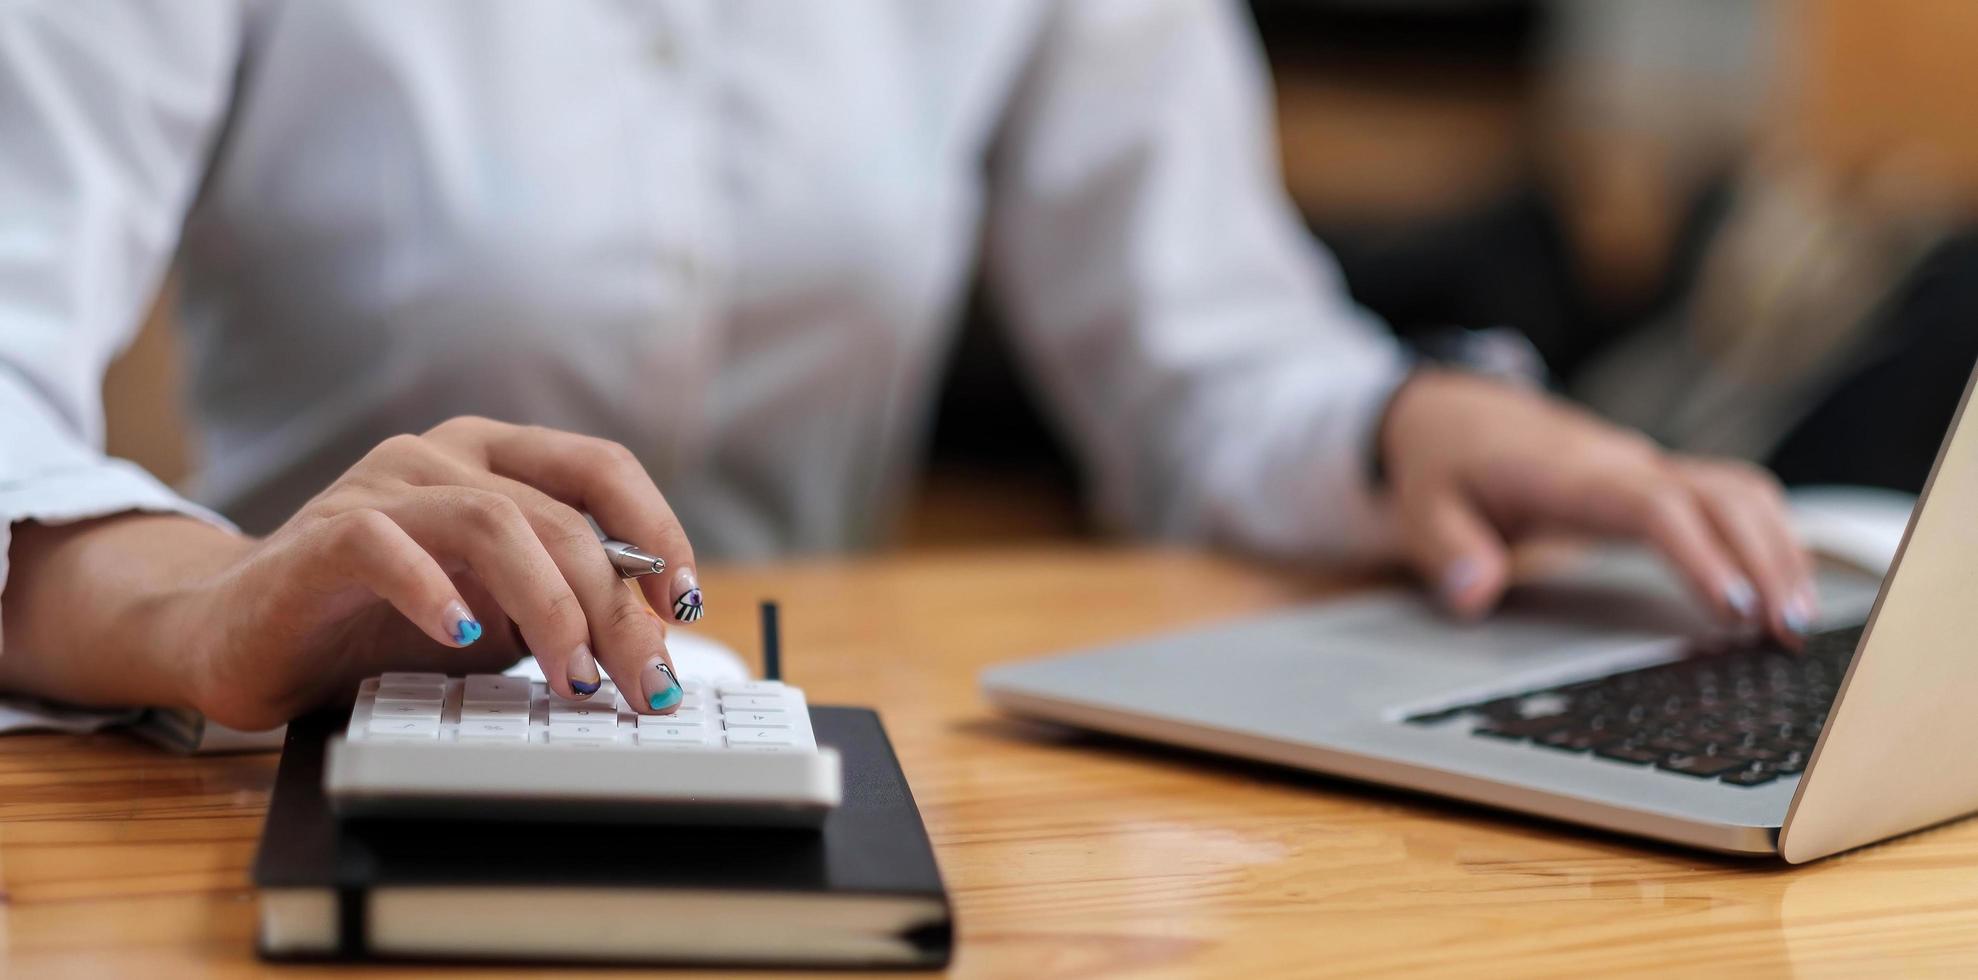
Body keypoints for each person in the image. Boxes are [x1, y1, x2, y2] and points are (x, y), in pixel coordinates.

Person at [0, 1, 1813, 732]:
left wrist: (1414, 420)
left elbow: (1209, 353)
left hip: (829, 765)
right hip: (305, 762)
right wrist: (218, 616)